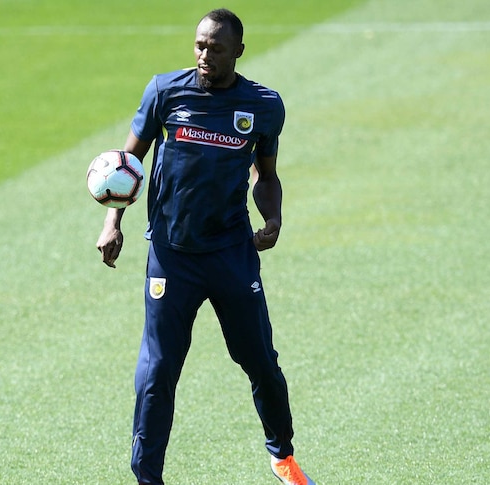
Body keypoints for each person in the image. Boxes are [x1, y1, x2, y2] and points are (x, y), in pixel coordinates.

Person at [95, 9, 314, 485]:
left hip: (231, 253)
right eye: (199, 45)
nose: (204, 55)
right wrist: (113, 221)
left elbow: (266, 175)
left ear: (238, 50)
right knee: (157, 373)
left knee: (260, 362)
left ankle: (282, 456)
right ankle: (147, 478)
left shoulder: (262, 105)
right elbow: (125, 163)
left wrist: (273, 218)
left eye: (215, 48)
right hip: (171, 256)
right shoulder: (165, 92)